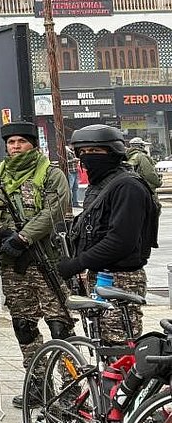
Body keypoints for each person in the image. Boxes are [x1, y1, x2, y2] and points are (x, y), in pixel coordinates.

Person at [0, 122, 72, 409]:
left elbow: (55, 210)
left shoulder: (50, 174)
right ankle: (38, 385)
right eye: (11, 142)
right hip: (13, 263)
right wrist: (0, 230)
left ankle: (71, 390)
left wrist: (23, 237)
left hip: (47, 260)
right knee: (24, 325)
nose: (16, 147)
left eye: (21, 141)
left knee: (60, 325)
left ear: (33, 144)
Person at [59, 124, 157, 345]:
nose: (88, 157)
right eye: (83, 152)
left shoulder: (128, 186)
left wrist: (77, 263)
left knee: (119, 346)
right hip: (99, 274)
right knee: (103, 344)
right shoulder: (100, 185)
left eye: (95, 151)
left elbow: (120, 241)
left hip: (121, 278)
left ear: (113, 151)